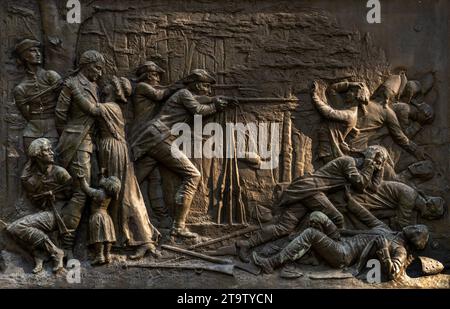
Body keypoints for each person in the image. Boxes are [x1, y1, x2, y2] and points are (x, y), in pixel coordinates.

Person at [235, 145, 389, 262]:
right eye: (377, 160)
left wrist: (379, 170)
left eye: (379, 163)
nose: (376, 164)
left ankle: (246, 244)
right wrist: (369, 162)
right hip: (312, 188)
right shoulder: (349, 162)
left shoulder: (360, 168)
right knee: (337, 219)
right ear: (370, 156)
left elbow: (373, 188)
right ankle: (330, 251)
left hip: (309, 191)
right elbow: (360, 184)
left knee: (284, 227)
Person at [131, 69, 229, 239]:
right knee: (193, 175)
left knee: (131, 183)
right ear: (197, 85)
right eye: (206, 86)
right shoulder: (184, 93)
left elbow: (201, 100)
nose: (209, 90)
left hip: (154, 139)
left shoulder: (185, 95)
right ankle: (179, 226)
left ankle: (110, 213)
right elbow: (199, 110)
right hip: (161, 139)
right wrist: (215, 106)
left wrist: (214, 101)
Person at [71, 76, 160, 260]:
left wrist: (74, 89)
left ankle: (141, 240)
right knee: (120, 194)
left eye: (109, 83)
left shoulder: (111, 107)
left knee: (122, 194)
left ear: (114, 89)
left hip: (113, 150)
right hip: (110, 148)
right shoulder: (113, 106)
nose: (105, 84)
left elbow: (90, 109)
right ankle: (121, 239)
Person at [253, 195, 430, 281]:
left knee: (311, 234)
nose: (412, 227)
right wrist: (350, 201)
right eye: (415, 226)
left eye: (415, 231)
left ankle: (273, 262)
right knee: (316, 215)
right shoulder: (386, 230)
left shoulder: (400, 250)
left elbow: (393, 273)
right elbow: (365, 217)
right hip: (341, 239)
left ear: (414, 240)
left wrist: (384, 251)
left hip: (343, 254)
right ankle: (308, 255)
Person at [55, 50, 105, 256]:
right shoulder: (72, 84)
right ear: (86, 65)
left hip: (90, 142)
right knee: (80, 193)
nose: (100, 73)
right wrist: (71, 135)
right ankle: (65, 246)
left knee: (92, 189)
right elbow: (60, 114)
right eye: (97, 68)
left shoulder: (92, 85)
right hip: (77, 142)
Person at [7, 138, 72, 273]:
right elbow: (26, 182)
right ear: (38, 155)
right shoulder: (35, 176)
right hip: (45, 212)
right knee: (11, 229)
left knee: (18, 227)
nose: (52, 153)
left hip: (59, 213)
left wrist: (56, 196)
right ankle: (43, 253)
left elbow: (74, 195)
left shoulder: (60, 172)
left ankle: (53, 252)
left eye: (50, 149)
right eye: (47, 150)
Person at [131, 61, 182, 228]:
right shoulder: (142, 87)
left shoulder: (151, 87)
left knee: (154, 178)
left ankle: (159, 216)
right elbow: (159, 96)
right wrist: (178, 86)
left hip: (153, 136)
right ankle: (128, 210)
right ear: (147, 75)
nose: (158, 78)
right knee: (137, 179)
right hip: (144, 135)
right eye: (155, 74)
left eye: (159, 75)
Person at [13, 39, 62, 150]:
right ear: (25, 56)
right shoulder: (20, 89)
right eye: (33, 51)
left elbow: (64, 102)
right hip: (32, 131)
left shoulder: (51, 76)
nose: (38, 54)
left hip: (53, 128)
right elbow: (27, 115)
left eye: (38, 50)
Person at [311, 80, 370, 163]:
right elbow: (331, 90)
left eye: (351, 91)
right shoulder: (342, 106)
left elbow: (327, 113)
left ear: (357, 97)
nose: (347, 93)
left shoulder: (350, 115)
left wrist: (314, 96)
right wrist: (349, 84)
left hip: (330, 151)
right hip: (326, 146)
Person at [351, 180, 445, 230]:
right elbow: (402, 225)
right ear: (429, 207)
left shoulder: (412, 198)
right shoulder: (409, 197)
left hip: (377, 202)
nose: (430, 218)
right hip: (370, 196)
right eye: (433, 216)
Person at [78, 173, 121, 266]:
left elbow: (86, 189)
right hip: (106, 217)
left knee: (99, 238)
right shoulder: (109, 195)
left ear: (108, 185)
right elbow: (103, 182)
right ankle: (107, 255)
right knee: (107, 238)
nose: (105, 179)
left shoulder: (99, 193)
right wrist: (101, 175)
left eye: (107, 179)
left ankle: (99, 256)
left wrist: (82, 179)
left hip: (97, 217)